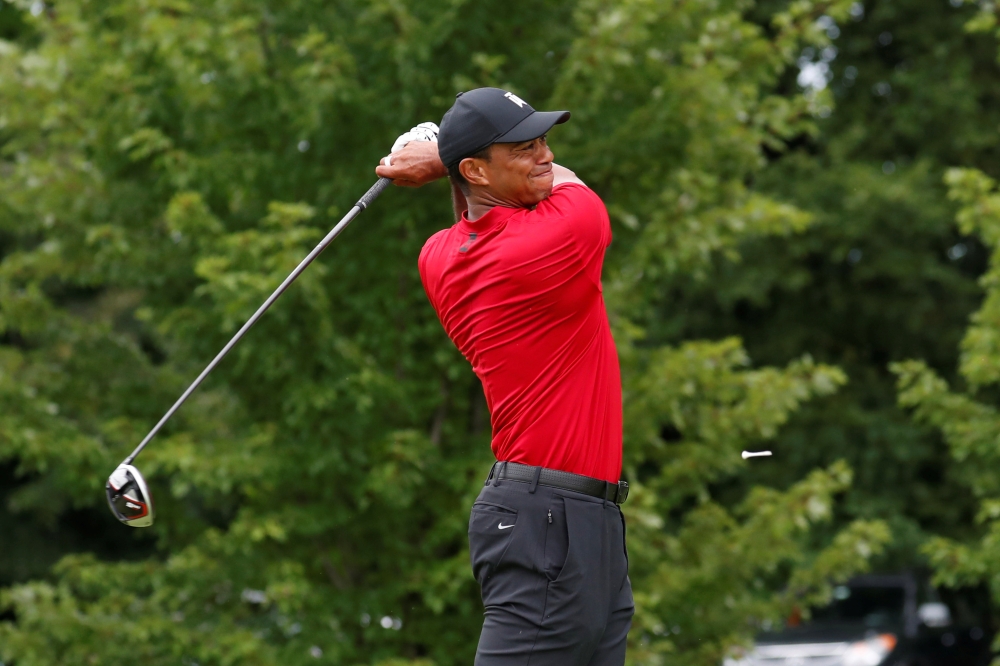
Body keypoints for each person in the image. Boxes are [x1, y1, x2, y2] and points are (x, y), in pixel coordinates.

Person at [376, 87, 633, 666]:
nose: (544, 155)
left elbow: (478, 211)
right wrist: (440, 153)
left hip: (575, 519)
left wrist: (444, 155)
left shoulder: (438, 256)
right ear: (474, 170)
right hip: (548, 520)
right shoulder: (561, 233)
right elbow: (568, 185)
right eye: (523, 147)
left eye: (544, 140)